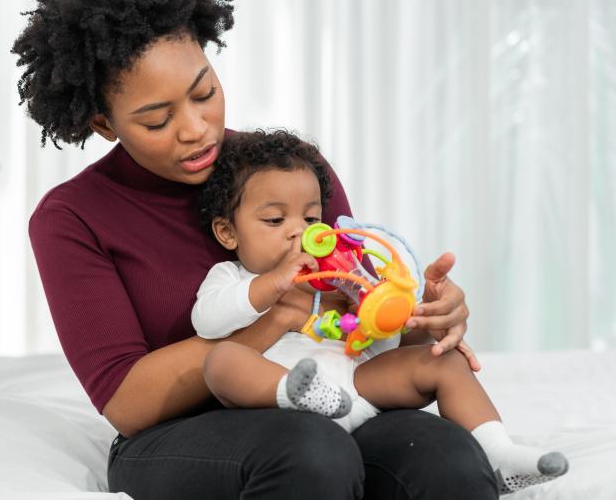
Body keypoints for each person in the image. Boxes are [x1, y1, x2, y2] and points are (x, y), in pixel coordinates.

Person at [14, 0, 498, 499]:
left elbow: (354, 325)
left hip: (333, 400)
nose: (195, 128)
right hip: (179, 434)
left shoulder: (290, 171)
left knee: (444, 452)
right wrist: (275, 318)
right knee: (310, 452)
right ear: (103, 124)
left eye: (205, 92)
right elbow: (128, 403)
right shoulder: (73, 217)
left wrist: (424, 321)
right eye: (156, 119)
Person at [193, 128, 568, 495]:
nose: (298, 233)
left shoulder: (337, 277)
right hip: (280, 403)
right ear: (228, 232)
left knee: (445, 360)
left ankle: (497, 452)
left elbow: (385, 349)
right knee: (222, 361)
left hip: (357, 388)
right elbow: (207, 321)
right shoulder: (232, 276)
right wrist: (273, 284)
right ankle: (299, 394)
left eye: (310, 219)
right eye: (275, 221)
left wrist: (373, 303)